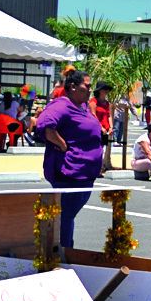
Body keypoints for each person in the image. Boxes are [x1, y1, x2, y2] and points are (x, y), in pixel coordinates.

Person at [38, 69, 103, 251]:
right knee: (65, 216)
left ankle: (64, 251)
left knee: (67, 216)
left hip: (84, 174)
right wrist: (62, 145)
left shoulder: (82, 106)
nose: (90, 89)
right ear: (73, 87)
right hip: (69, 174)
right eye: (86, 86)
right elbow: (45, 125)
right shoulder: (62, 105)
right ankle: (61, 253)